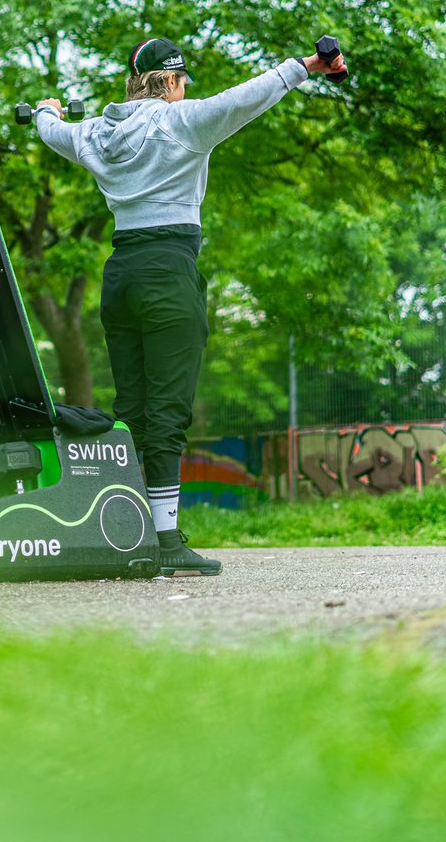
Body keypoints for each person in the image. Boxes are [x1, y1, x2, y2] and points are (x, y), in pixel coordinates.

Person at [34, 37, 348, 575]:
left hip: (122, 275)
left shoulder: (97, 133)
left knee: (131, 411)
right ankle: (164, 540)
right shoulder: (182, 122)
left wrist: (46, 107)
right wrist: (309, 66)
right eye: (182, 84)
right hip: (168, 272)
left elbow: (50, 129)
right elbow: (249, 97)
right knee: (168, 411)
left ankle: (123, 533)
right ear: (172, 82)